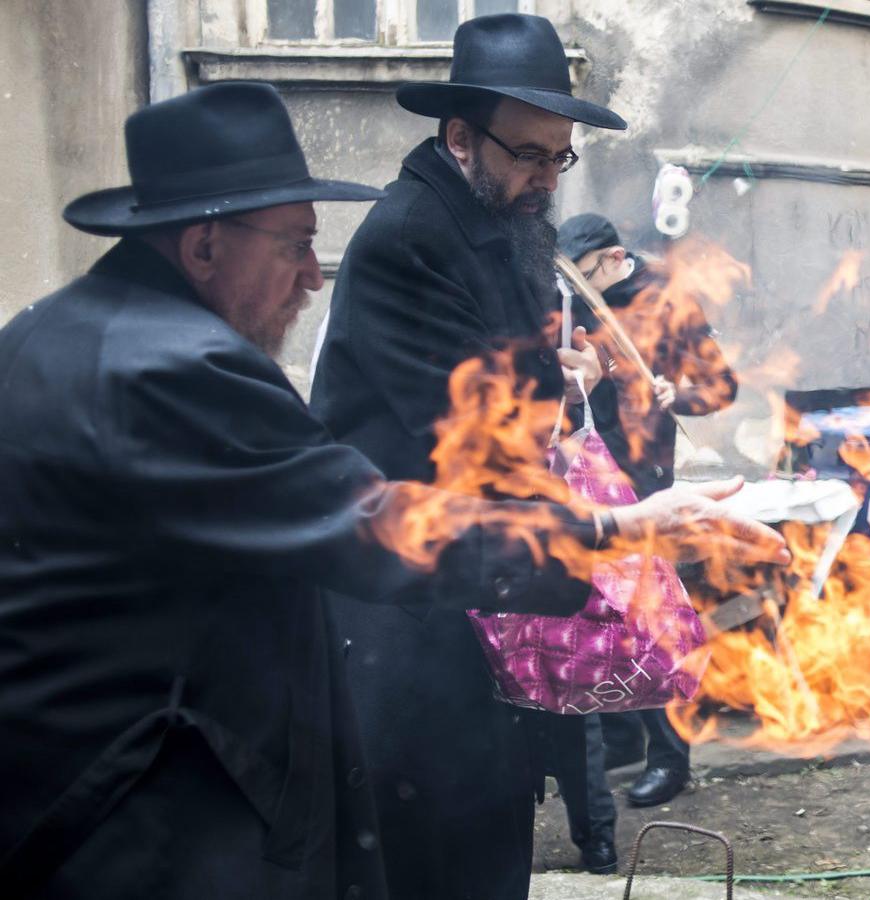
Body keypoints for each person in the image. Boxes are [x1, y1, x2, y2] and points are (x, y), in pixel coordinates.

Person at [0, 82, 786, 900]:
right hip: (131, 814)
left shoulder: (52, 330)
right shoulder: (179, 368)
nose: (312, 276)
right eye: (295, 245)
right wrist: (617, 528)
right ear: (202, 248)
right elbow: (377, 523)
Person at [307, 13, 639, 888]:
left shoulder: (491, 214)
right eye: (527, 154)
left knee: (490, 842)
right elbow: (468, 432)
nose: (544, 179)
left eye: (558, 157)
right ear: (460, 136)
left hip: (473, 591)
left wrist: (558, 379)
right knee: (440, 860)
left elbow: (505, 379)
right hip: (407, 615)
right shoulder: (414, 236)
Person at [557, 213, 740, 808]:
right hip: (583, 461)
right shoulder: (574, 295)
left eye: (585, 277)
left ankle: (671, 757)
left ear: (612, 259)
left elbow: (721, 387)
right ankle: (620, 737)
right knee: (594, 608)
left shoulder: (671, 298)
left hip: (642, 473)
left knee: (649, 614)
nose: (578, 292)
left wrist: (676, 394)